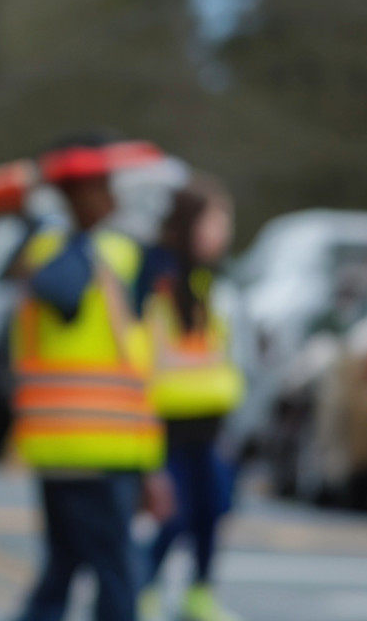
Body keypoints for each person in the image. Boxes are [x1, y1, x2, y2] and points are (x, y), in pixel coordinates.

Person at [13, 134, 170, 621]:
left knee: (65, 567)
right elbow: (60, 293)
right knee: (116, 572)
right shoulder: (68, 250)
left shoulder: (98, 250)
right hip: (92, 447)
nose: (114, 201)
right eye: (102, 190)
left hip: (93, 445)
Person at [138, 176, 246, 621]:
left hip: (211, 420)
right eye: (215, 221)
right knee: (173, 515)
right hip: (166, 420)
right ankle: (142, 587)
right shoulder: (159, 281)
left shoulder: (209, 286)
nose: (223, 232)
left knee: (213, 508)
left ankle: (198, 591)